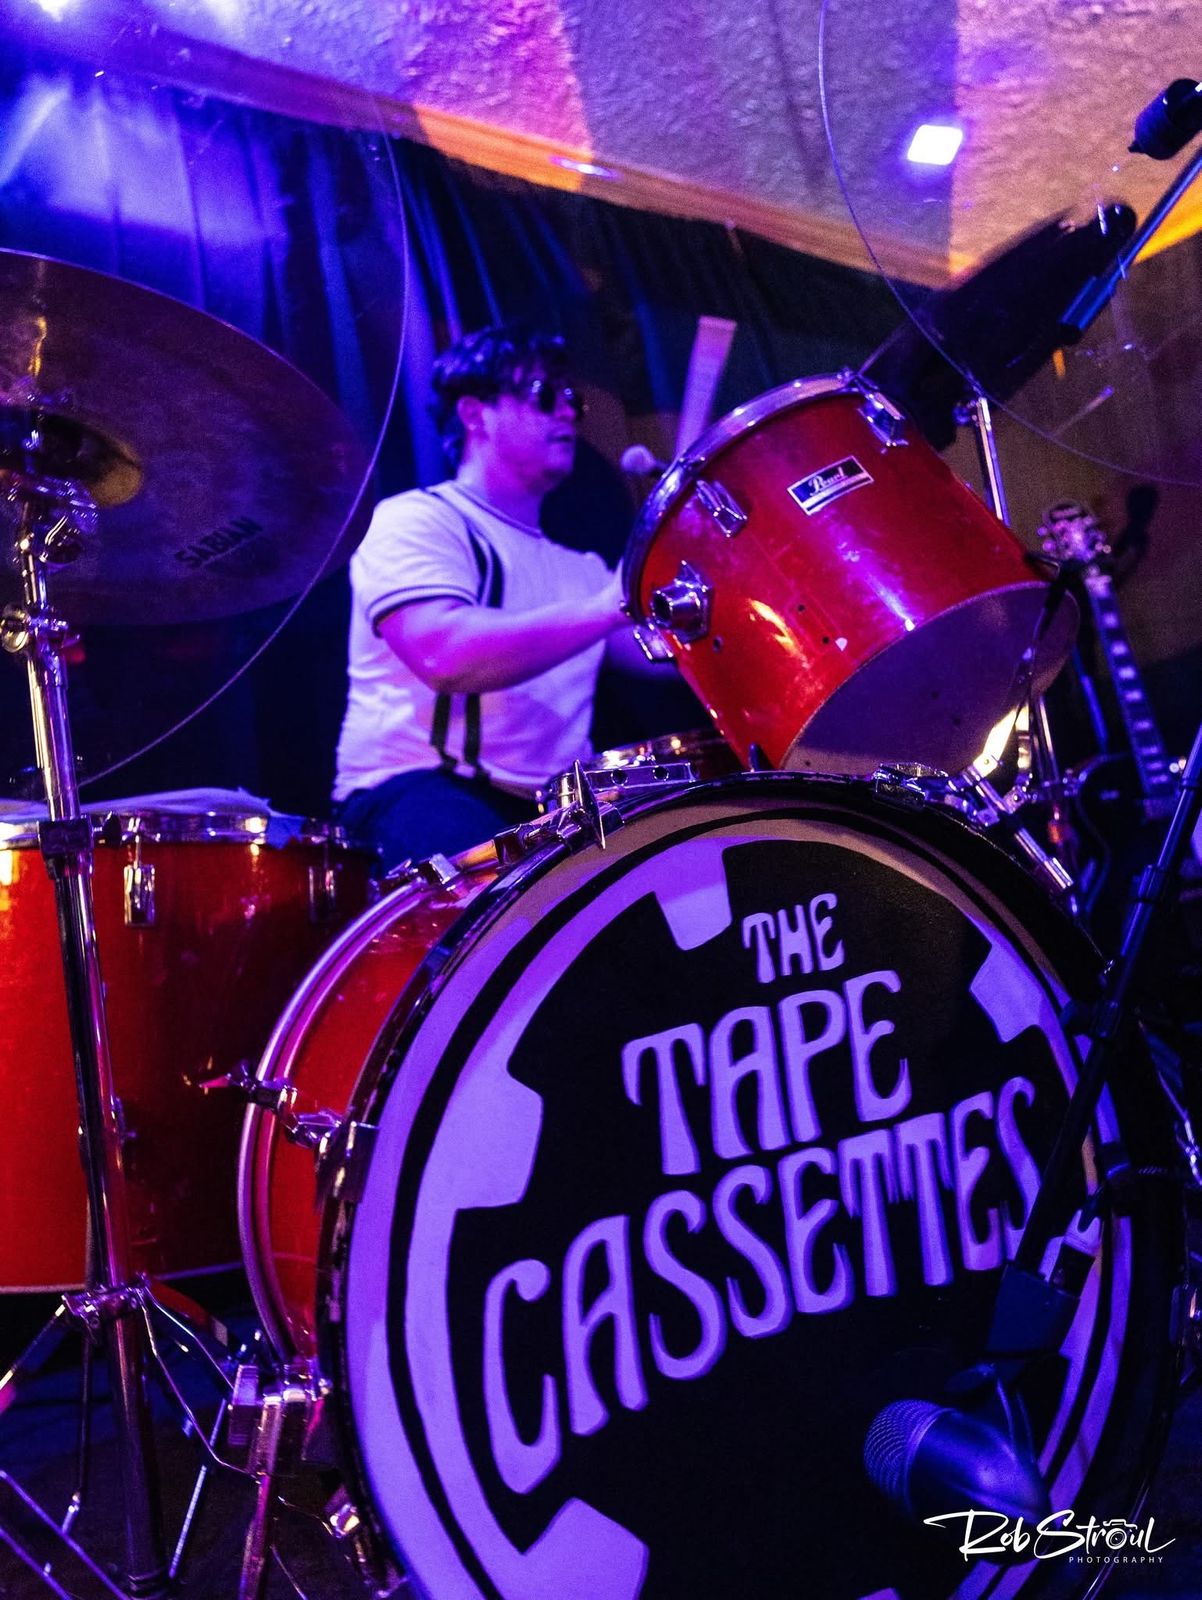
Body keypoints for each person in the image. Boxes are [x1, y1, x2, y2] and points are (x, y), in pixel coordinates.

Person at [334, 324, 633, 868]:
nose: (568, 412)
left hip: (551, 806)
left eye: (572, 399)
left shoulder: (585, 570)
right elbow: (444, 655)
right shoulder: (417, 520)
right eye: (545, 395)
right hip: (418, 784)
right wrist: (607, 607)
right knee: (520, 895)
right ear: (476, 414)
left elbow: (657, 652)